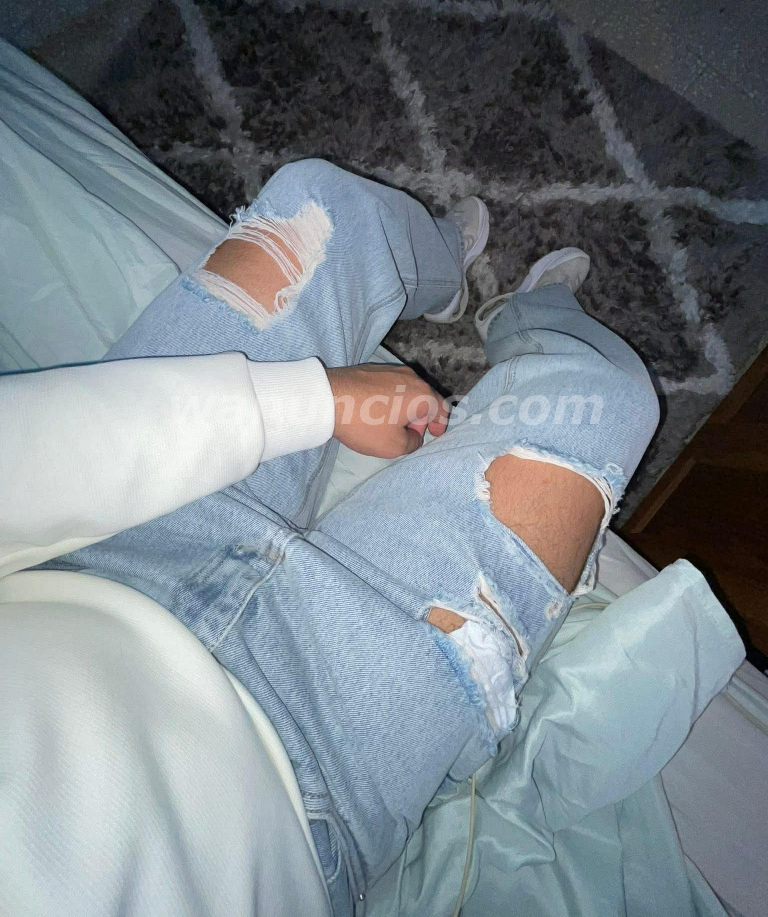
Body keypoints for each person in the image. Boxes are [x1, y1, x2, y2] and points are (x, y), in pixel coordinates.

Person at [7, 159, 658, 915]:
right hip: (317, 771)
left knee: (320, 209)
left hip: (108, 557)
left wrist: (308, 401)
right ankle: (528, 317)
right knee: (604, 402)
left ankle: (439, 269)